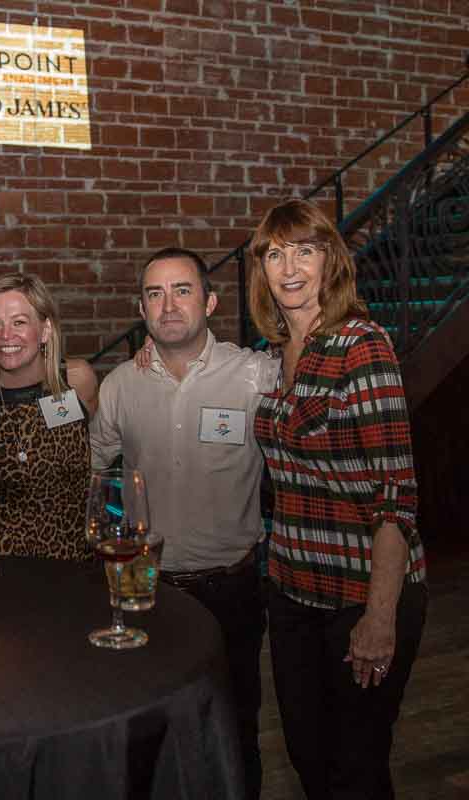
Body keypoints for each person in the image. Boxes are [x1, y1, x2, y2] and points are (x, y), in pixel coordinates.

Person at [249, 199, 427, 799]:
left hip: (360, 591)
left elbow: (394, 496)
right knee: (308, 757)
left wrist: (380, 617)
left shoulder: (362, 345)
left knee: (356, 770)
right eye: (275, 254)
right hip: (291, 590)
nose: (289, 268)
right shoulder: (271, 356)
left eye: (305, 250)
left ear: (331, 261)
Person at [90, 247, 277, 798]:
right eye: (155, 294)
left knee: (234, 731)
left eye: (182, 290)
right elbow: (92, 471)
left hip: (231, 592)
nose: (168, 305)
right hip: (149, 592)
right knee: (145, 732)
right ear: (141, 310)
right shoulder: (121, 385)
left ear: (210, 302)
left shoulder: (255, 375)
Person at [0, 273, 98, 561]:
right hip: (3, 571)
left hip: (77, 569)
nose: (6, 335)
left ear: (45, 330)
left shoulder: (77, 381)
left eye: (19, 322)